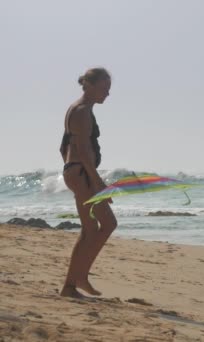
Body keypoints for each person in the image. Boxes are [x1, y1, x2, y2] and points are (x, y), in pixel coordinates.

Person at [59, 67, 117, 298]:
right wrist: (97, 182)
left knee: (91, 229)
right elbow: (82, 150)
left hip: (78, 172)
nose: (107, 93)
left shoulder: (80, 110)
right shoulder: (82, 111)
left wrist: (69, 169)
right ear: (90, 85)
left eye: (109, 89)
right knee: (107, 224)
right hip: (83, 174)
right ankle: (75, 280)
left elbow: (64, 147)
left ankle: (74, 283)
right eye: (104, 88)